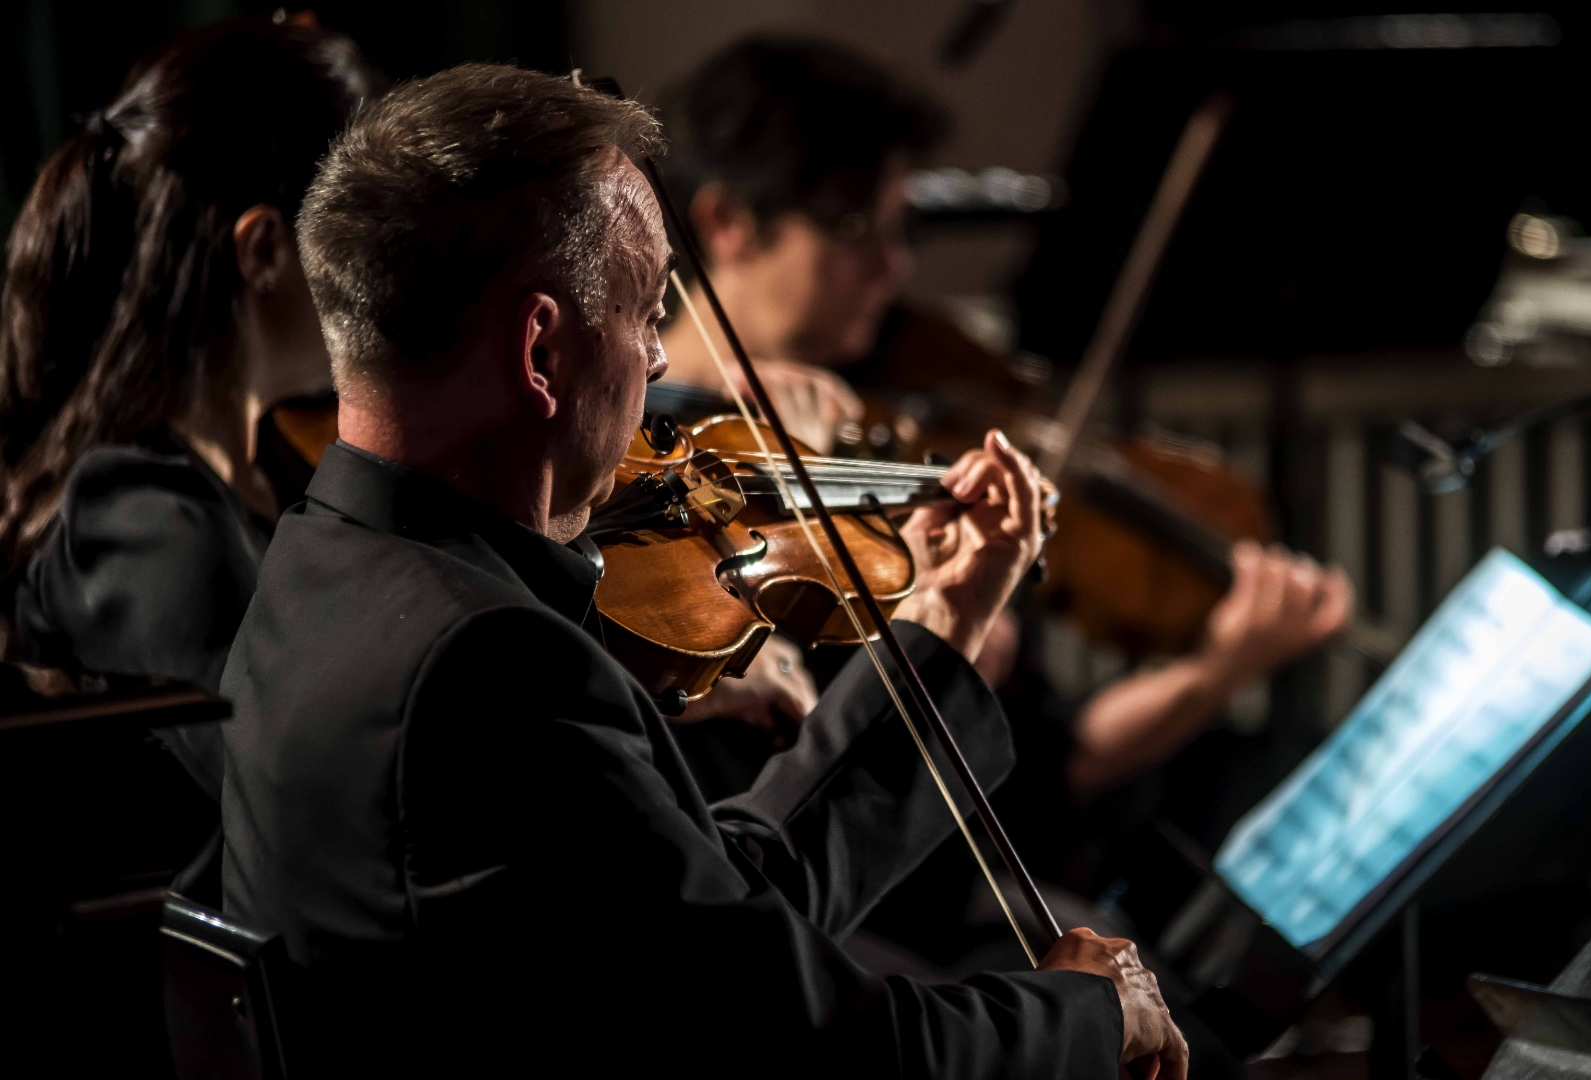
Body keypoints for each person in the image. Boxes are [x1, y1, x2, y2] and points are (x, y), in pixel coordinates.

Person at [219, 63, 1187, 1077]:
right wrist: (1080, 1017)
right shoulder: (491, 667)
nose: (656, 364)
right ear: (542, 351)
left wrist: (944, 617)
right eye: (644, 316)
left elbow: (717, 912)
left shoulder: (316, 568)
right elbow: (816, 1046)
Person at [655, 36, 1349, 840]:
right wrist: (922, 655)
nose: (893, 266)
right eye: (857, 228)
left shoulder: (880, 433)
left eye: (900, 229)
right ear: (729, 223)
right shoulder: (652, 474)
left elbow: (1047, 757)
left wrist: (1224, 667)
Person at [0, 16, 382, 798]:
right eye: (367, 237)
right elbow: (306, 800)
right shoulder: (140, 525)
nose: (386, 277)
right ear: (265, 251)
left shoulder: (271, 469)